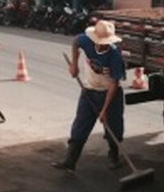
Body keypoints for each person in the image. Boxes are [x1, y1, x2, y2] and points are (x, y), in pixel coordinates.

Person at [52, 19, 126, 171]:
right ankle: (70, 161)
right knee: (81, 124)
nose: (102, 44)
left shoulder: (114, 55)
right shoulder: (86, 40)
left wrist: (104, 110)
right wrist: (74, 65)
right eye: (100, 42)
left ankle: (114, 157)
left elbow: (114, 84)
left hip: (109, 94)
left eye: (106, 42)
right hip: (88, 90)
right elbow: (76, 42)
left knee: (113, 127)